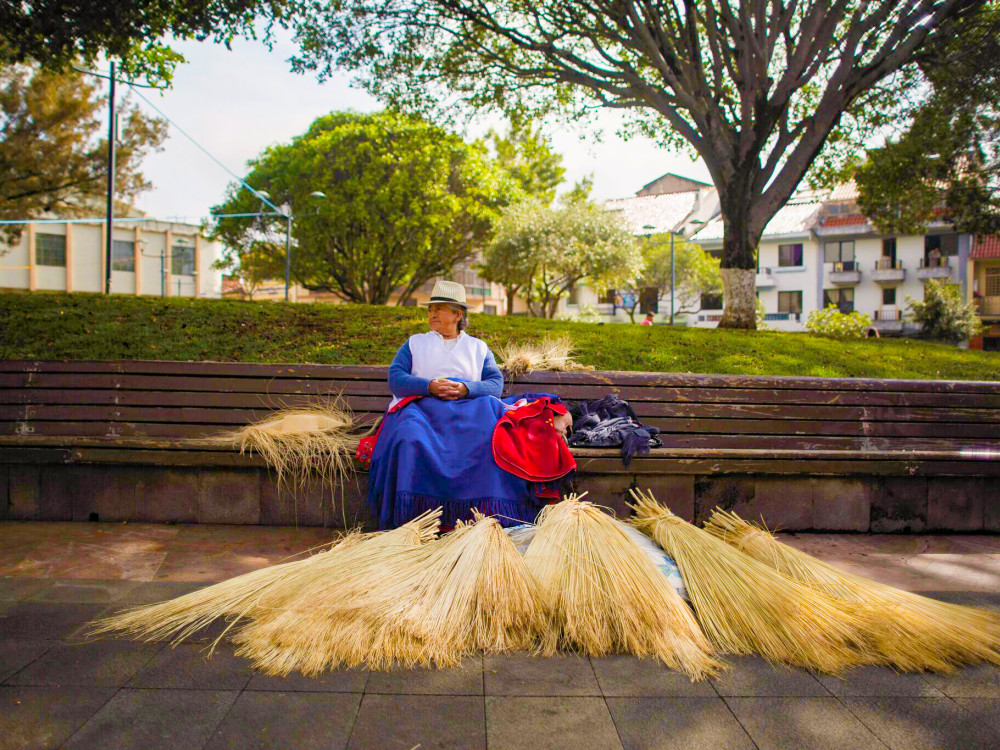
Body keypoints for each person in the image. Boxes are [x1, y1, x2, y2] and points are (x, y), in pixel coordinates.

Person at [367, 280, 549, 530]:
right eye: (430, 309)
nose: (432, 314)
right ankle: (413, 518)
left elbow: (495, 384)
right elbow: (396, 378)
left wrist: (467, 388)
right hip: (424, 410)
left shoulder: (477, 347)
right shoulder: (415, 343)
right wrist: (428, 386)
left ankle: (482, 517)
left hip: (470, 411)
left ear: (457, 314)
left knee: (491, 438)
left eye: (439, 309)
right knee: (408, 437)